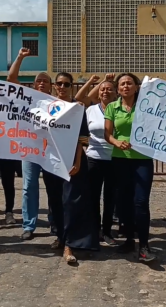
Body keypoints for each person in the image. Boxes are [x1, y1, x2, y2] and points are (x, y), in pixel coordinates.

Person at [44, 72, 99, 264]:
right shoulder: (45, 107)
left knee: (70, 203)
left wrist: (76, 161)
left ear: (71, 87)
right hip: (50, 161)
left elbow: (81, 139)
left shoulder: (78, 109)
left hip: (72, 162)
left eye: (66, 84)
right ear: (54, 86)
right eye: (59, 83)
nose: (62, 87)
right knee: (55, 201)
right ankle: (60, 236)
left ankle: (70, 244)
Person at [104, 73, 156, 263]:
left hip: (142, 160)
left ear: (136, 87)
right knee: (124, 202)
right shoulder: (112, 107)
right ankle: (128, 240)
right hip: (120, 159)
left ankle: (144, 245)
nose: (126, 86)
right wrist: (116, 142)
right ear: (118, 89)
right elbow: (107, 134)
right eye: (122, 84)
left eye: (130, 83)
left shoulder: (147, 107)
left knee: (141, 202)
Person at [7, 47, 56, 240]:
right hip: (29, 149)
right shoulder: (27, 98)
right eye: (39, 81)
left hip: (51, 149)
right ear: (34, 85)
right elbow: (11, 80)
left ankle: (55, 222)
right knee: (29, 187)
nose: (42, 83)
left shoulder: (56, 101)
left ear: (51, 86)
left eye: (46, 81)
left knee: (53, 187)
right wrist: (19, 57)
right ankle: (29, 225)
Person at [83, 74, 119, 246]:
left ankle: (107, 231)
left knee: (110, 197)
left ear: (115, 93)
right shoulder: (90, 110)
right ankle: (94, 229)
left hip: (114, 159)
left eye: (109, 89)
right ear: (98, 93)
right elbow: (82, 133)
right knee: (93, 196)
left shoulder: (119, 110)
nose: (105, 91)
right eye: (103, 89)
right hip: (94, 158)